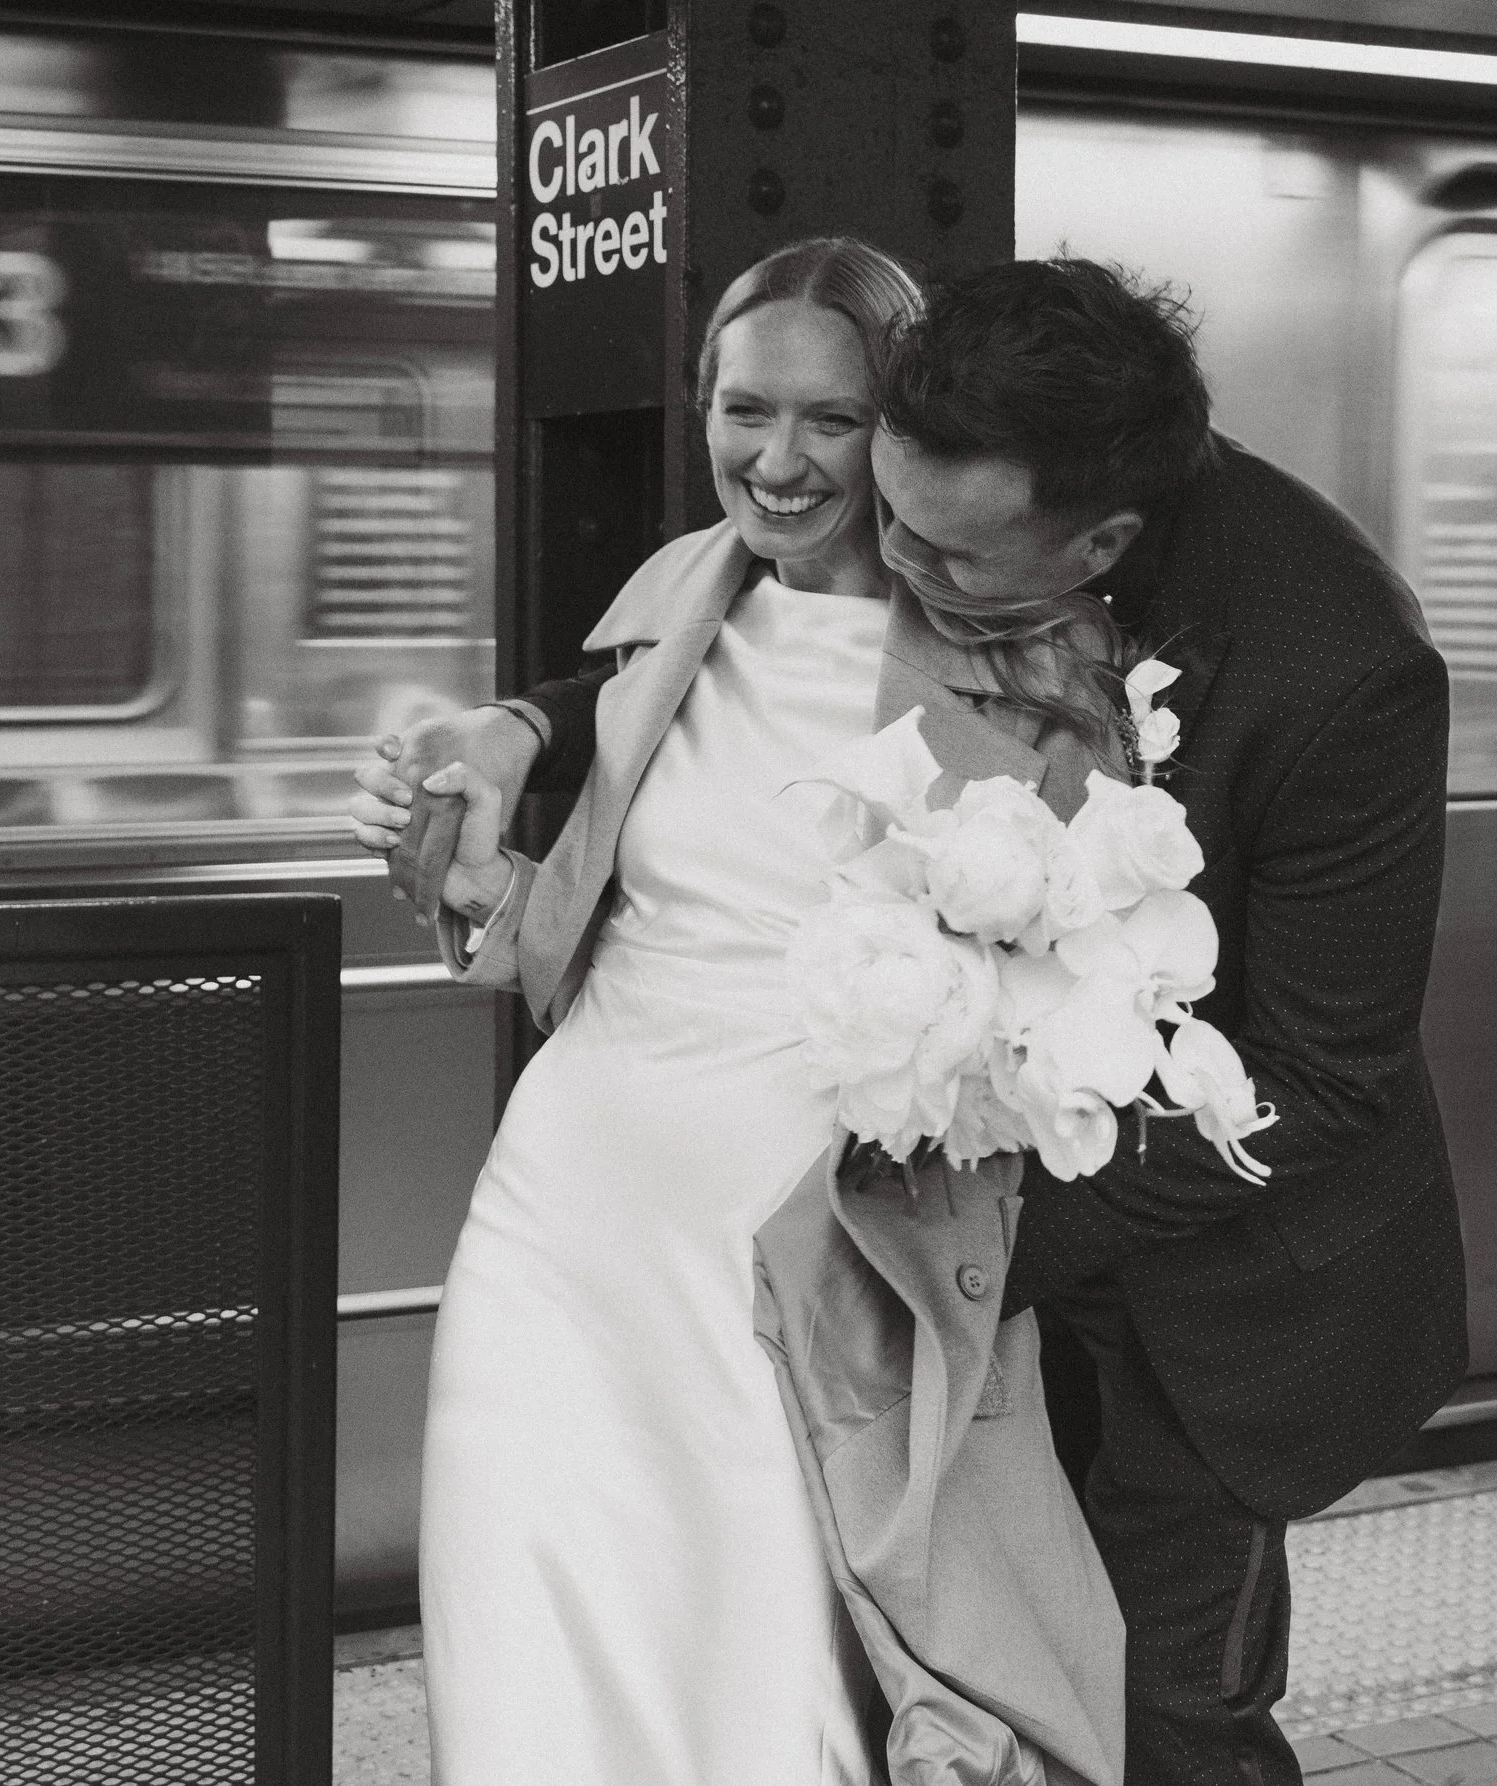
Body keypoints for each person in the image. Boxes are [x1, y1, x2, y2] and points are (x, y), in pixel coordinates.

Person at [365, 256, 1469, 1786]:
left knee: (1159, 1718)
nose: (902, 577)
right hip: (935, 1257)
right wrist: (524, 723)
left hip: (1201, 1295)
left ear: (1104, 545)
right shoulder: (952, 498)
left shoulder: (1337, 668)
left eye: (947, 560)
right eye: (889, 519)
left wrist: (933, 1239)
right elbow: (718, 645)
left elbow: (1318, 1081)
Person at [351, 238, 1124, 1786]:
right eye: (743, 408)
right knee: (530, 1634)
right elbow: (582, 932)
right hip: (563, 1217)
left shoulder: (1029, 660)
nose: (777, 461)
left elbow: (1072, 990)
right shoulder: (673, 609)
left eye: (832, 421)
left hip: (796, 1250)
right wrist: (463, 837)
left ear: (901, 432)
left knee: (762, 1665)